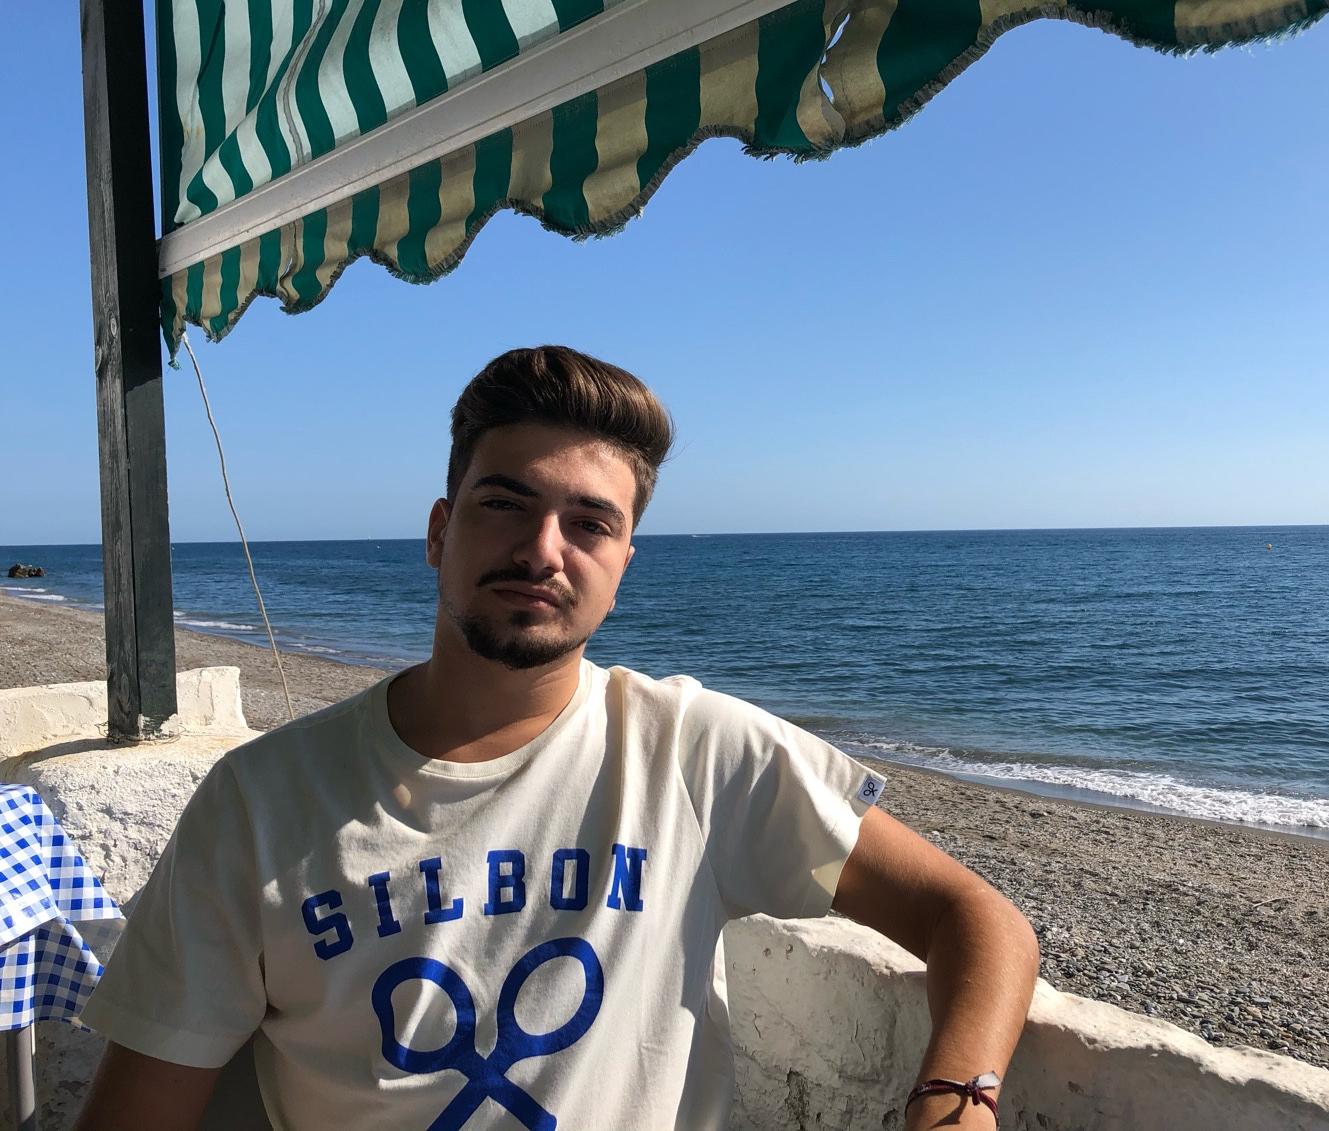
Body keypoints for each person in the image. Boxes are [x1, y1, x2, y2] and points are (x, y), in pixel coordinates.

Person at [74, 346, 1039, 1131]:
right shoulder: (258, 803)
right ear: (440, 532)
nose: (543, 550)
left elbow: (976, 920)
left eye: (589, 524)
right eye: (506, 504)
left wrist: (954, 1105)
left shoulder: (695, 753)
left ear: (623, 564)